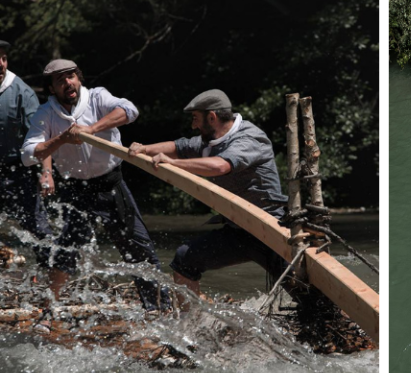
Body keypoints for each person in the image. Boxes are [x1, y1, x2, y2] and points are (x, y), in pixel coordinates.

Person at [20, 59, 167, 309]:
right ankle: (49, 307)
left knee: (139, 249)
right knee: (66, 252)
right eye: (60, 80)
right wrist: (62, 139)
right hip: (77, 191)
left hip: (111, 184)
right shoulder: (46, 114)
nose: (68, 83)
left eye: (71, 77)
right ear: (52, 88)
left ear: (79, 78)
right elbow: (27, 155)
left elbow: (130, 111)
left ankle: (158, 308)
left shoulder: (97, 98)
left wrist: (92, 129)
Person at [128, 89, 288, 296]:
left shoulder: (249, 137)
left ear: (211, 117)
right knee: (184, 260)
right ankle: (192, 323)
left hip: (271, 231)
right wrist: (144, 149)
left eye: (195, 118)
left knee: (310, 297)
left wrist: (174, 164)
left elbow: (220, 166)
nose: (193, 125)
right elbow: (179, 146)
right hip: (238, 231)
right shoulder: (209, 143)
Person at [0, 39, 54, 251]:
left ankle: (53, 270)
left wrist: (46, 172)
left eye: (4, 58)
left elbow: (40, 137)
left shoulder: (23, 93)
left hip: (17, 170)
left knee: (37, 229)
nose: (1, 64)